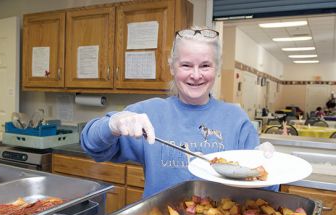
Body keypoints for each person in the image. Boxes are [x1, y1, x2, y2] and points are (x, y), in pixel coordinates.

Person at [81, 26, 278, 198]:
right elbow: (91, 146)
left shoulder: (236, 119)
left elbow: (264, 191)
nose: (195, 75)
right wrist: (111, 125)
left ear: (216, 68)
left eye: (205, 65)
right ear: (172, 67)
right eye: (186, 65)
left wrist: (268, 166)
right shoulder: (148, 113)